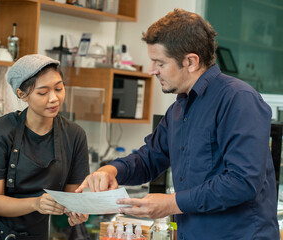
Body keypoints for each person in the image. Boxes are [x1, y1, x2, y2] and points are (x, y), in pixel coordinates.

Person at [76, 8, 279, 239]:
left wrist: (172, 203)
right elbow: (150, 157)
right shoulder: (178, 108)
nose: (152, 71)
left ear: (191, 62)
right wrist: (112, 170)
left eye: (159, 63)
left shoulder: (238, 99)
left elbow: (241, 182)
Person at [0, 54, 89, 240]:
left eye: (59, 88)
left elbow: (73, 196)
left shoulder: (74, 134)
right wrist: (36, 203)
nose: (54, 98)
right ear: (22, 95)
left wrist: (77, 210)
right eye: (43, 92)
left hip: (35, 233)